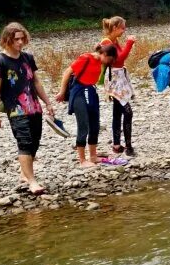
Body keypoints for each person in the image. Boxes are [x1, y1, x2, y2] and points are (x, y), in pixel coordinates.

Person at [0, 22, 56, 195]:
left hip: (34, 107)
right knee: (25, 142)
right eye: (16, 39)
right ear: (7, 40)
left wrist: (47, 102)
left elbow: (36, 81)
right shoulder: (0, 61)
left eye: (22, 38)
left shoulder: (28, 57)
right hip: (16, 109)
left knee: (34, 142)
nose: (20, 42)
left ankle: (24, 173)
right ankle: (32, 181)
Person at [57, 44, 118, 167]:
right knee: (83, 125)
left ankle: (93, 156)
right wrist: (62, 92)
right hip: (79, 91)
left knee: (95, 125)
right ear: (105, 55)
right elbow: (67, 72)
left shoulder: (99, 61)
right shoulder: (86, 58)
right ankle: (82, 160)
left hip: (91, 91)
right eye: (110, 60)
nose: (109, 63)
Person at [99, 16, 137, 156]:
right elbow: (118, 59)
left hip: (119, 78)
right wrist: (129, 43)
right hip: (114, 81)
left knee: (117, 112)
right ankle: (128, 146)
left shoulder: (114, 41)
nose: (124, 30)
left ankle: (116, 144)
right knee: (128, 112)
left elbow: (121, 60)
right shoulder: (107, 42)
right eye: (122, 28)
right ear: (115, 28)